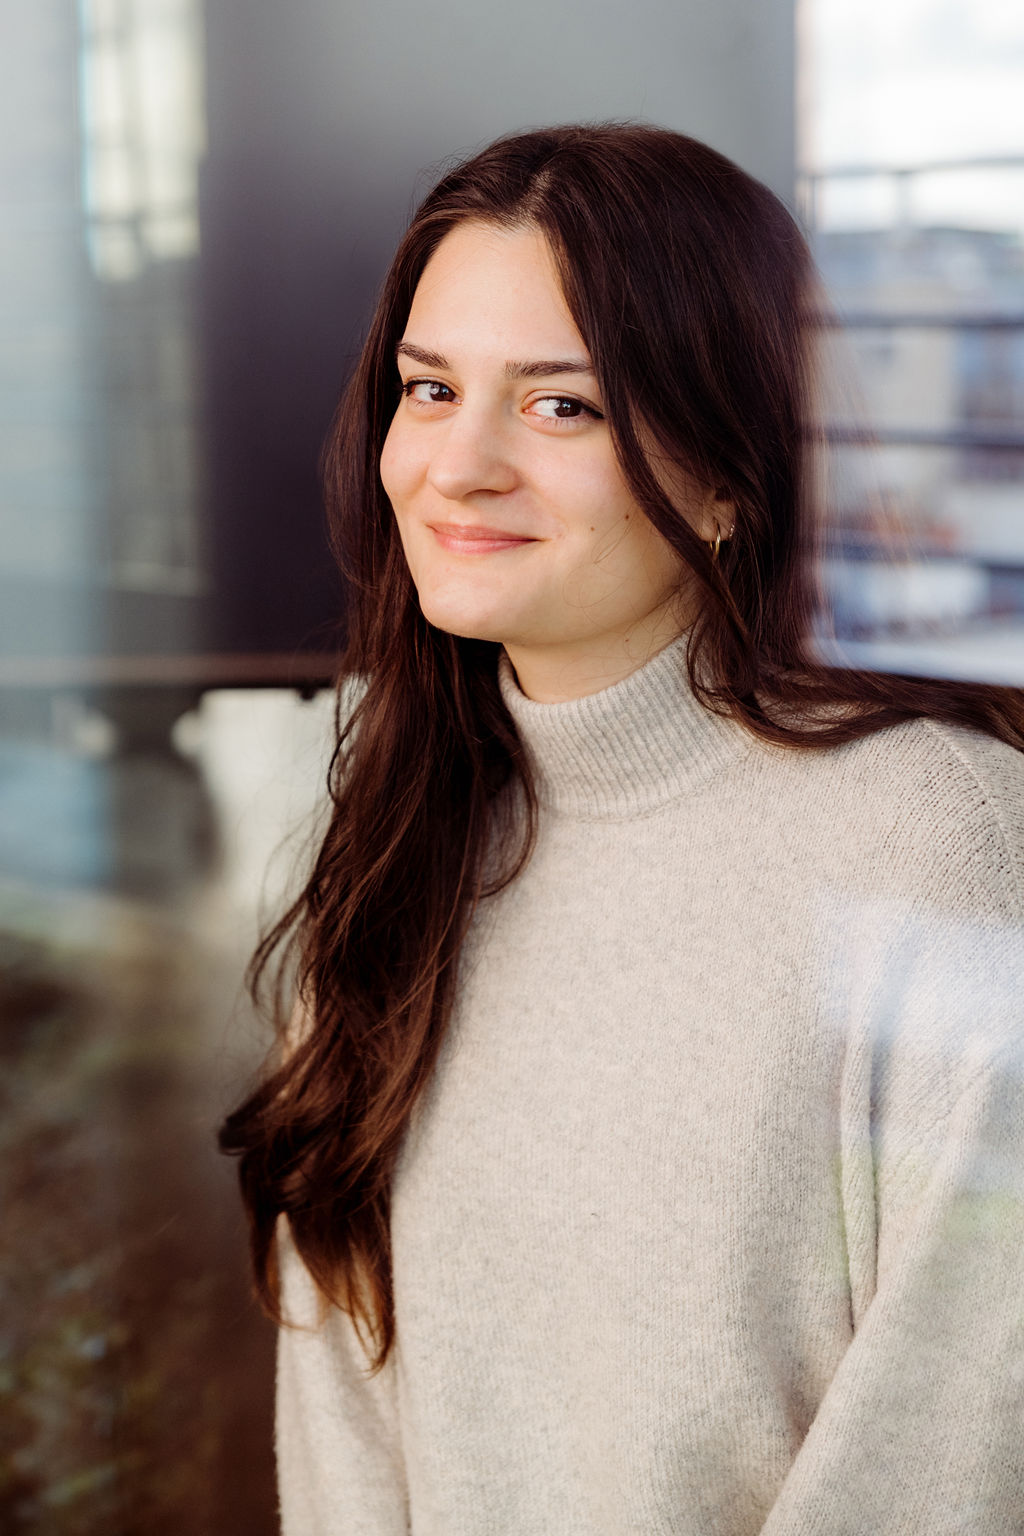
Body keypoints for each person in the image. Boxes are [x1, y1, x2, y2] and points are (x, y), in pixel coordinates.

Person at [220, 124, 1024, 1533]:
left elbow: (960, 1444)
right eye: (430, 387)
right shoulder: (395, 842)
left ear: (727, 474)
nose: (459, 465)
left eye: (562, 407)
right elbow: (344, 1414)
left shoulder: (945, 849)